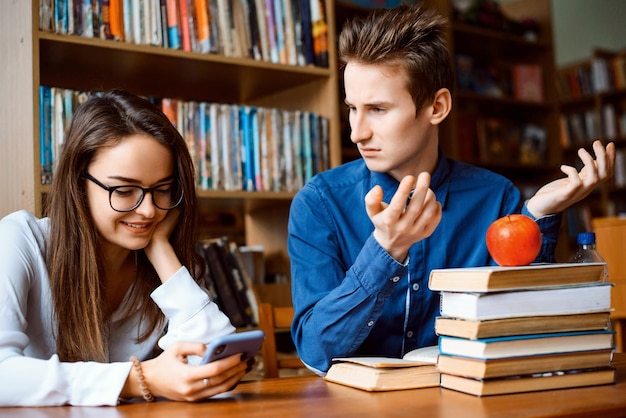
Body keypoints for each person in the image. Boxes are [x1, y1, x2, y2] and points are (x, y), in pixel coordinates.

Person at [288, 4, 615, 375]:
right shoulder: (319, 204)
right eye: (352, 108)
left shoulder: (497, 200)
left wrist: (536, 216)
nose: (357, 132)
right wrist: (386, 251)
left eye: (377, 109)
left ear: (437, 106)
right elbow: (315, 350)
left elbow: (522, 329)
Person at [0, 89, 254, 406]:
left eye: (162, 189)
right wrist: (137, 380)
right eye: (124, 190)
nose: (149, 210)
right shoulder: (19, 241)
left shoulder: (160, 261)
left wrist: (161, 250)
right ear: (79, 183)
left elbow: (218, 370)